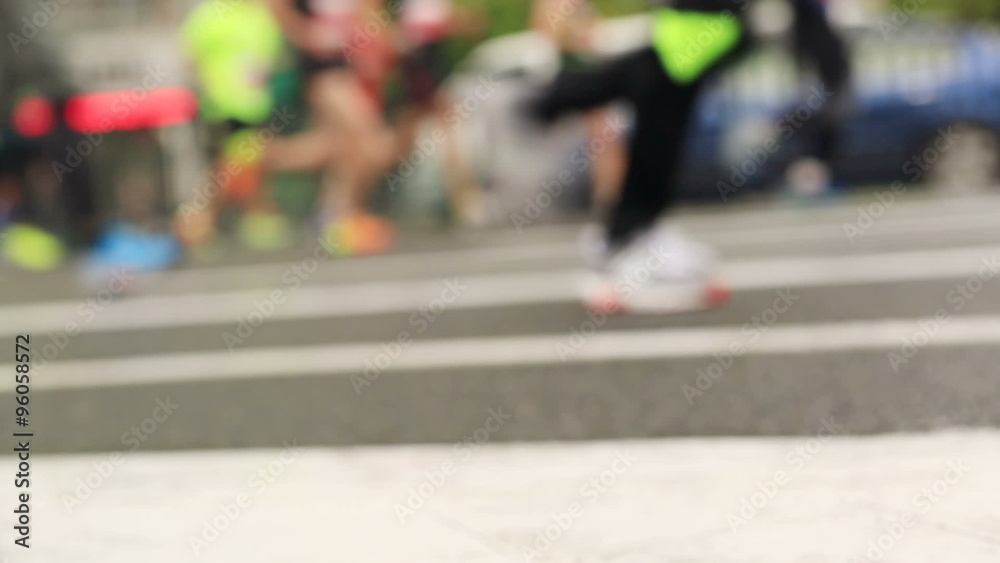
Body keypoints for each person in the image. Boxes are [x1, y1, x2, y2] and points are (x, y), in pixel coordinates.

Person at [527, 0, 850, 313]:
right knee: (661, 92)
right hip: (698, 20)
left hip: (708, 21)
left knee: (659, 85)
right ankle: (625, 236)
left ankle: (629, 230)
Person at [266, 0, 397, 255]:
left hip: (348, 68)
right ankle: (341, 216)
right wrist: (306, 35)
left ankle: (333, 215)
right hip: (322, 70)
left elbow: (367, 15)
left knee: (344, 147)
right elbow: (275, 7)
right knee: (367, 136)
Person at [175, 0, 293, 254]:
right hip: (220, 107)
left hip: (254, 105)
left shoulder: (260, 14)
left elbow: (273, 59)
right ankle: (201, 222)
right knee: (224, 168)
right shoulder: (208, 14)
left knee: (248, 164)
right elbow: (189, 58)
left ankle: (240, 218)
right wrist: (208, 88)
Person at [391, 0, 488, 224]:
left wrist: (463, 21)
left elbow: (444, 17)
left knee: (418, 130)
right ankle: (464, 199)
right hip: (418, 58)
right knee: (441, 122)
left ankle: (462, 198)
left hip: (431, 55)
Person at [531, 0, 626, 211]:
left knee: (605, 131)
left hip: (588, 71)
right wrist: (572, 31)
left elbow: (598, 34)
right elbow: (547, 34)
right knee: (601, 129)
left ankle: (609, 194)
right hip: (569, 73)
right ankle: (605, 195)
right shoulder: (551, 5)